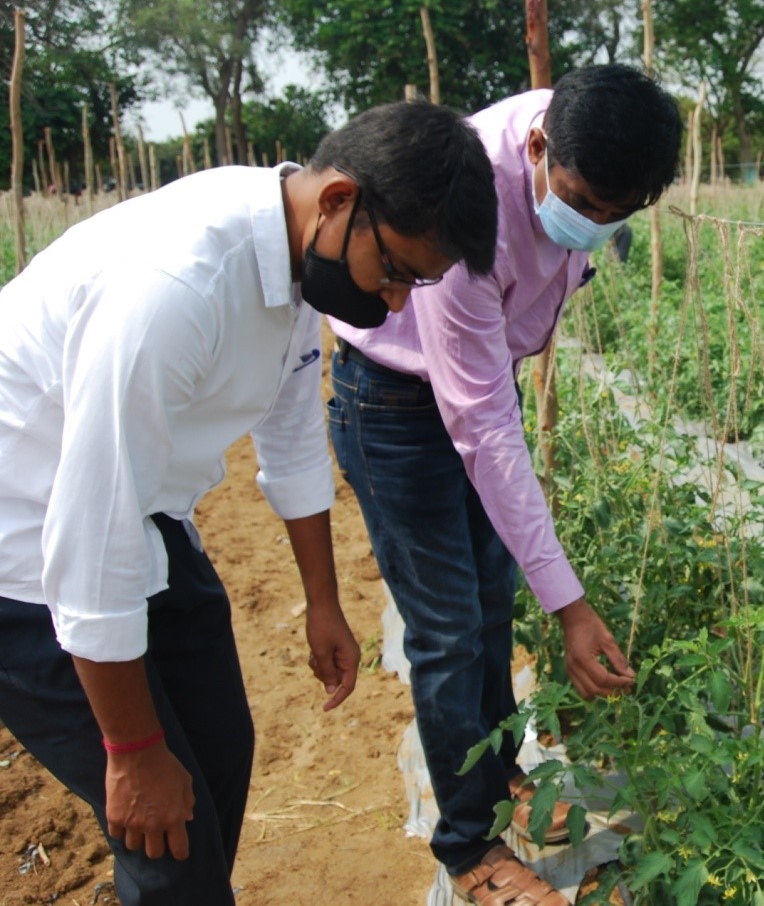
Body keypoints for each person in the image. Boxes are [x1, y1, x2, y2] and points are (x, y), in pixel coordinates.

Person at [0, 101, 498, 906]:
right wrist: (131, 750)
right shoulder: (175, 288)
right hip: (25, 545)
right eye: (396, 271)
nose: (397, 304)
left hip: (146, 512)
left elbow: (291, 433)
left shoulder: (293, 249)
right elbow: (89, 534)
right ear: (338, 200)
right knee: (168, 839)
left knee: (220, 753)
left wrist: (322, 600)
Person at [327, 64, 681, 904]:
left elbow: (493, 398)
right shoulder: (463, 211)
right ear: (537, 146)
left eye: (617, 212)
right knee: (447, 629)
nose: (593, 224)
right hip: (393, 401)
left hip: (483, 379)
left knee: (491, 598)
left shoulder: (588, 144)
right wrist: (571, 605)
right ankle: (469, 847)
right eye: (582, 202)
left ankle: (500, 773)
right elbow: (483, 427)